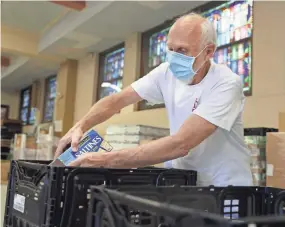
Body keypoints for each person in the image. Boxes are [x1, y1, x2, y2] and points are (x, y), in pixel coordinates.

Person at [55, 13, 253, 186]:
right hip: (185, 182)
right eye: (170, 49)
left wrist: (105, 160)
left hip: (224, 186)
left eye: (182, 51)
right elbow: (116, 101)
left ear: (209, 51)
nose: (174, 58)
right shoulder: (166, 73)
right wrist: (80, 126)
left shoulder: (227, 84)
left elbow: (181, 143)